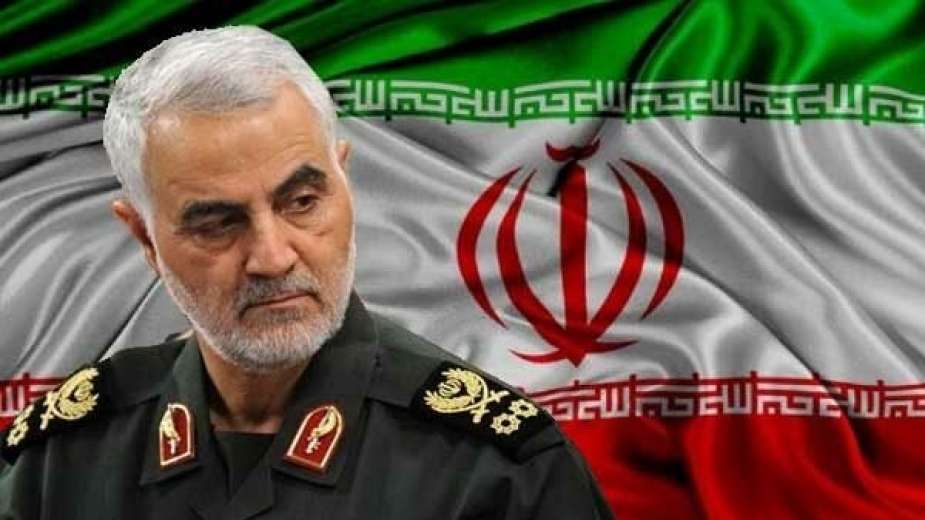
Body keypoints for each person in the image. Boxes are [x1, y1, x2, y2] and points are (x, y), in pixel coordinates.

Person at [0, 26, 614, 519]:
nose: (272, 257)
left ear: (344, 180)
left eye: (301, 202)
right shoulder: (59, 462)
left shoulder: (499, 469)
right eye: (217, 224)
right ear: (144, 238)